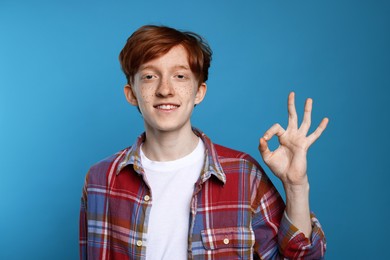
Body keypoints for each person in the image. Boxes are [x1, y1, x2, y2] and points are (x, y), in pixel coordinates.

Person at [79, 25, 329, 259]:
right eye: (149, 76)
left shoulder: (243, 173)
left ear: (199, 91)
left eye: (179, 76)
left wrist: (296, 186)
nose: (165, 89)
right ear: (131, 94)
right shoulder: (101, 179)